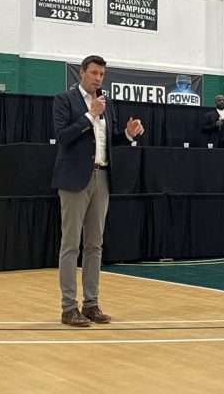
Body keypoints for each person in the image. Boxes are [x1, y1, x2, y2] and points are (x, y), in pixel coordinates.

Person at [52, 55, 145, 327]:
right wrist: (89, 114)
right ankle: (68, 308)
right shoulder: (64, 100)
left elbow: (109, 139)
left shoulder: (107, 104)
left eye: (102, 74)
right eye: (93, 73)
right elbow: (63, 137)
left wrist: (127, 135)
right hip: (74, 180)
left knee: (95, 245)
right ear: (81, 73)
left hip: (102, 177)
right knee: (70, 244)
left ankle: (91, 304)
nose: (98, 78)